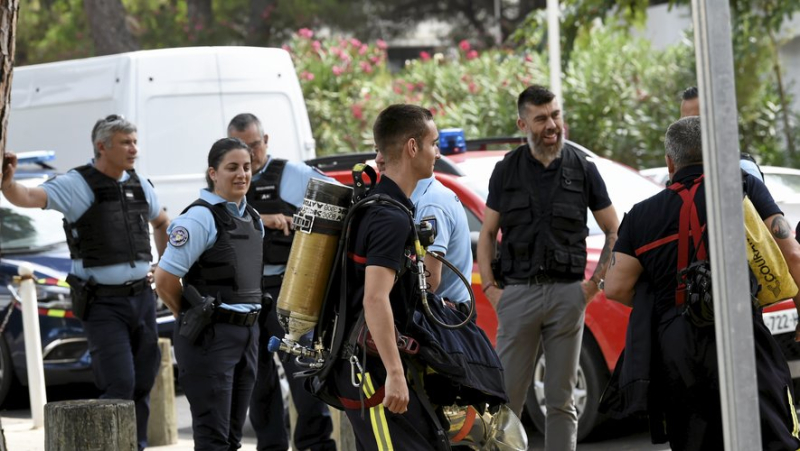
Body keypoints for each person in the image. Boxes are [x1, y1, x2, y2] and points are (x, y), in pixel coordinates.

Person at [604, 116, 800, 450]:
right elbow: (791, 254)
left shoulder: (641, 215)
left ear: (670, 162)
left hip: (676, 348)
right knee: (771, 437)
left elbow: (615, 287)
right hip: (741, 333)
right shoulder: (741, 187)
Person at [1, 115, 169, 450]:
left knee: (144, 382)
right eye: (126, 142)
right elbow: (27, 197)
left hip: (142, 299)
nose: (134, 148)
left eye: (135, 141)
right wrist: (7, 183)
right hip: (103, 303)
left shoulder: (139, 183)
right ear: (102, 146)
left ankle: (136, 444)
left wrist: (163, 267)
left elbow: (162, 222)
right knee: (120, 383)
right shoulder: (77, 184)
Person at [476, 85, 619, 450]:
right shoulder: (506, 170)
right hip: (518, 294)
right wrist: (492, 290)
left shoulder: (583, 169)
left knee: (561, 400)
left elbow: (613, 229)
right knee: (505, 402)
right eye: (541, 118)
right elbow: (488, 233)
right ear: (523, 122)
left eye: (555, 115)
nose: (552, 124)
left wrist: (593, 285)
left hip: (568, 296)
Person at [226, 113, 335, 451]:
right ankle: (271, 445)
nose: (249, 154)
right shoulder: (224, 180)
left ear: (266, 141)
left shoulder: (292, 175)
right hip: (245, 293)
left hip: (291, 291)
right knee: (258, 382)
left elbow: (336, 210)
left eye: (254, 145)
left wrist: (295, 220)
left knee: (303, 376)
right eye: (240, 147)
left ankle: (315, 445)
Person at [155, 138, 263, 450]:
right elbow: (164, 279)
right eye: (232, 167)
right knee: (212, 437)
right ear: (213, 173)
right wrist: (187, 315)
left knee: (232, 438)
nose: (241, 174)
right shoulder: (200, 218)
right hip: (210, 337)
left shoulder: (253, 218)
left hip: (247, 335)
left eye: (246, 167)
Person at [375, 151, 473, 306]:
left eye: (385, 149)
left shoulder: (430, 203)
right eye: (377, 150)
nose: (378, 159)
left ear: (410, 150)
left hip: (442, 318)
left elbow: (429, 282)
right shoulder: (411, 198)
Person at [680, 86, 764, 182]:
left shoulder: (745, 170)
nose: (688, 128)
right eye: (683, 121)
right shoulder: (682, 172)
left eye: (696, 120)